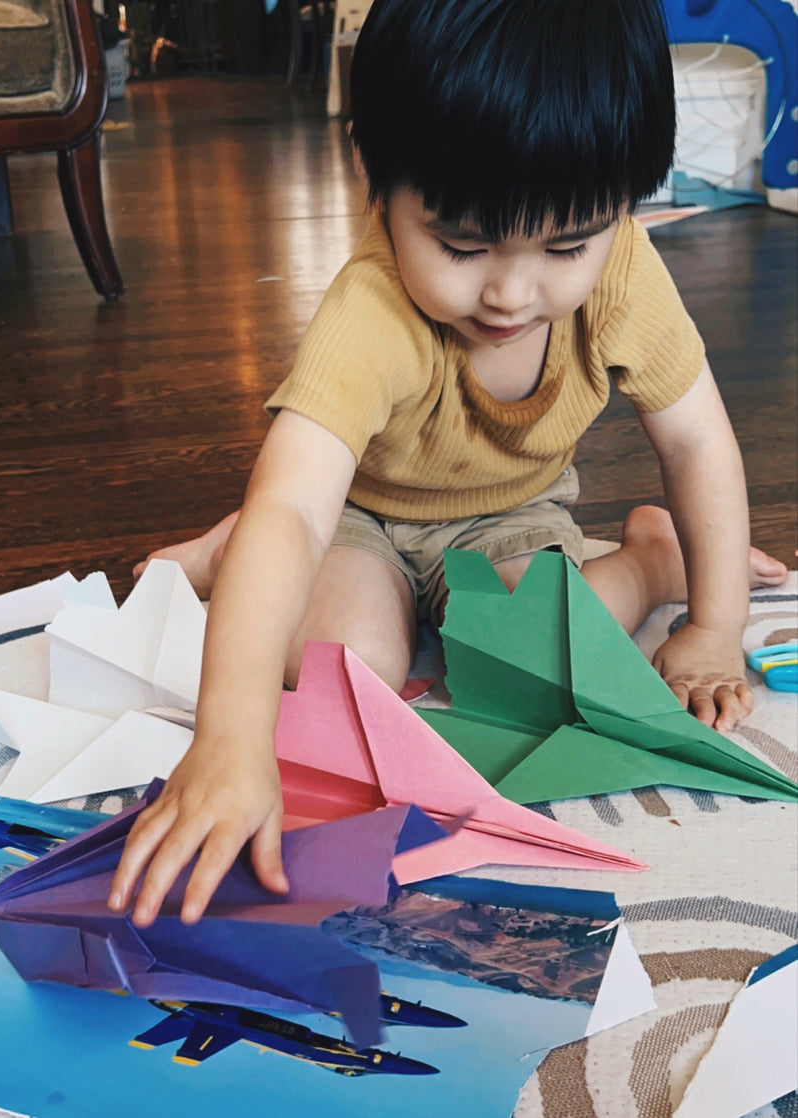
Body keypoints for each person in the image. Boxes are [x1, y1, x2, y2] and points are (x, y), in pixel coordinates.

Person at [108, 0, 787, 928]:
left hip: (512, 512)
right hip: (360, 514)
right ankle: (232, 553)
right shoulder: (371, 308)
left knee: (538, 668)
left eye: (566, 246)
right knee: (346, 673)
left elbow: (697, 438)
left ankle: (652, 558)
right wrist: (231, 740)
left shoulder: (626, 270)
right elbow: (299, 514)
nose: (511, 292)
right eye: (462, 246)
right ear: (372, 178)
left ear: (626, 205)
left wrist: (712, 624)